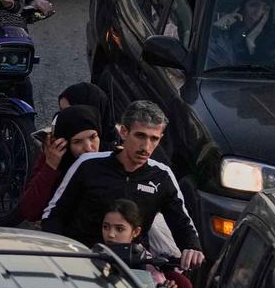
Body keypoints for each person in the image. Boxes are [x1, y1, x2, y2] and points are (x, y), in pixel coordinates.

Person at [42, 100, 203, 272]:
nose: (146, 146)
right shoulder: (88, 164)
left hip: (132, 266)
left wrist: (192, 247)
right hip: (81, 260)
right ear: (124, 132)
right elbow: (53, 214)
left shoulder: (162, 176)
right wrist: (61, 254)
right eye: (140, 136)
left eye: (154, 139)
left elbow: (181, 222)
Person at [99, 199, 192, 288]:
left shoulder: (145, 260)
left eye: (119, 229)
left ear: (135, 232)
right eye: (106, 227)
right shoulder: (94, 254)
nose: (111, 234)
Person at [19, 105, 101, 222]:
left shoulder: (113, 156)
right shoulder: (55, 158)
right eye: (77, 142)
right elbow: (30, 211)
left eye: (93, 137)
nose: (88, 148)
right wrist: (50, 167)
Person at [208, 0, 275, 66]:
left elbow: (266, 72)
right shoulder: (225, 35)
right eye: (253, 5)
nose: (258, 13)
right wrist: (217, 29)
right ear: (241, 8)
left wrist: (250, 44)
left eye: (266, 8)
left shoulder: (271, 41)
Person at [58, 82, 116, 146]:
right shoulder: (57, 147)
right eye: (62, 111)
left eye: (70, 112)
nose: (63, 118)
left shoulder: (119, 152)